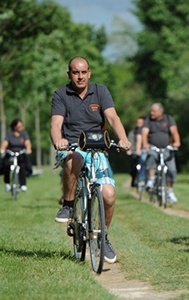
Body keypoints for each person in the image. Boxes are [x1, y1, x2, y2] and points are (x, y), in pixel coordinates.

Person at [50, 56, 131, 264]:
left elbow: (112, 117)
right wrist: (58, 140)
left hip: (98, 147)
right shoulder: (61, 94)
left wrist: (122, 137)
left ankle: (103, 236)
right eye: (75, 73)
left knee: (109, 194)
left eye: (83, 72)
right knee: (74, 158)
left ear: (89, 73)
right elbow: (56, 123)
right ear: (69, 75)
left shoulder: (101, 91)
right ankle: (68, 204)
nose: (80, 76)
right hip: (72, 147)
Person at [142, 103, 181, 203]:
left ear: (160, 112)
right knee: (151, 156)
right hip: (153, 147)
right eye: (151, 111)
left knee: (172, 169)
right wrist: (145, 144)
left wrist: (177, 142)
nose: (152, 113)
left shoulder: (168, 119)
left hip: (167, 148)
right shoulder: (148, 120)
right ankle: (151, 179)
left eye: (154, 111)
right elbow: (144, 132)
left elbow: (174, 131)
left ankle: (170, 191)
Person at [0, 118, 32, 192]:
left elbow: (27, 142)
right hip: (11, 153)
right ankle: (7, 183)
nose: (21, 127)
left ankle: (23, 184)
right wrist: (2, 149)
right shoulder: (10, 134)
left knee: (23, 165)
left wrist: (28, 149)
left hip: (21, 153)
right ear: (14, 126)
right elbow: (5, 142)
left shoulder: (24, 134)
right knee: (6, 164)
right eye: (19, 126)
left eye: (21, 126)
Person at [127, 116, 146, 187]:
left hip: (143, 151)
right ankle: (133, 179)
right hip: (135, 152)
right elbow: (130, 141)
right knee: (134, 167)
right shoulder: (132, 133)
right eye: (138, 122)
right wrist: (130, 150)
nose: (139, 124)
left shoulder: (146, 131)